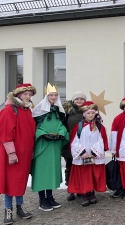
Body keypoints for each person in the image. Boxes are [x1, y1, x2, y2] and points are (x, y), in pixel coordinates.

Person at [0, 83, 36, 224]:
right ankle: (8, 211)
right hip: (13, 154)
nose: (28, 97)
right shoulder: (9, 110)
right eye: (26, 94)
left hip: (25, 154)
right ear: (18, 95)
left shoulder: (27, 110)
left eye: (30, 95)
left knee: (20, 181)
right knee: (11, 182)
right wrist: (11, 153)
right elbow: (5, 134)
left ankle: (20, 208)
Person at [31, 83, 69, 212]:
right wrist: (43, 135)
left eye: (55, 95)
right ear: (47, 96)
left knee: (52, 172)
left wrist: (61, 134)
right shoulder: (38, 111)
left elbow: (62, 126)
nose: (53, 97)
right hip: (43, 147)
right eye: (51, 95)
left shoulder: (59, 111)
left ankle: (50, 197)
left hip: (54, 147)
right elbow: (35, 128)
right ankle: (42, 200)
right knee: (42, 173)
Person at [67, 101, 108, 207]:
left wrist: (94, 152)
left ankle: (91, 193)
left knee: (93, 175)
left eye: (92, 113)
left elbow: (101, 140)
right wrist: (83, 152)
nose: (90, 115)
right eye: (88, 113)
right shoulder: (79, 127)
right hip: (83, 156)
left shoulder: (99, 126)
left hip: (94, 156)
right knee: (84, 175)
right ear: (84, 114)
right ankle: (84, 194)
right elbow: (74, 141)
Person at [62, 91, 87, 201]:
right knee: (70, 167)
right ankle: (71, 189)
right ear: (73, 100)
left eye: (82, 99)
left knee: (82, 167)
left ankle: (81, 188)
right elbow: (62, 125)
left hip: (84, 144)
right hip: (69, 144)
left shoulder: (88, 110)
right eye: (77, 99)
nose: (79, 101)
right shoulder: (67, 111)